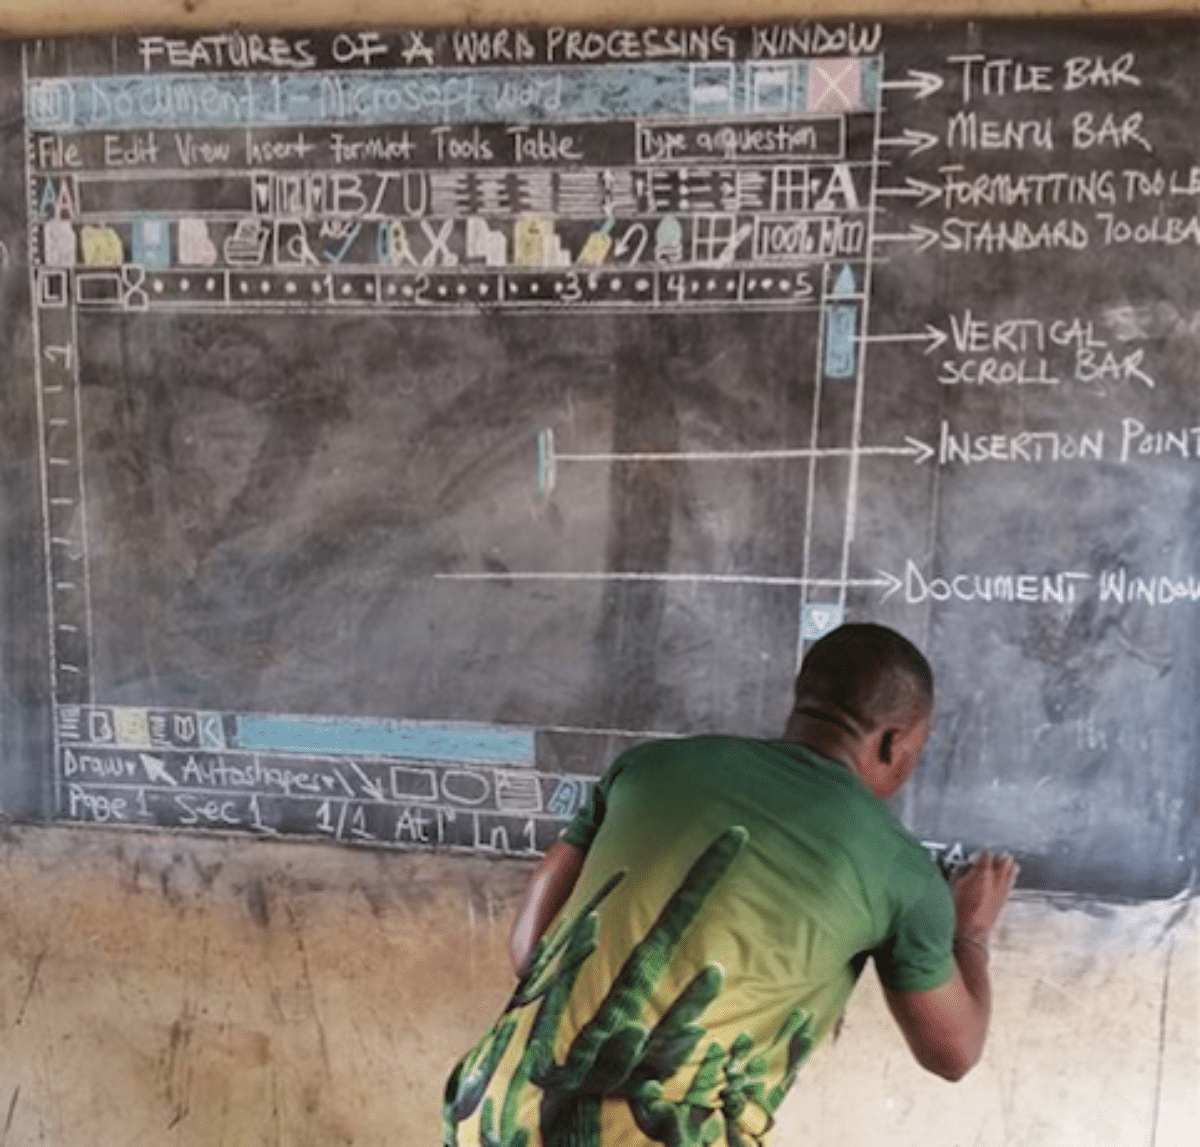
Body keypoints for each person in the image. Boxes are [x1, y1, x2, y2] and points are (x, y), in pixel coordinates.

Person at [443, 623, 1018, 1147]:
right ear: (895, 743)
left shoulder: (647, 766)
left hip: (494, 1109)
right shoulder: (902, 869)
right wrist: (970, 934)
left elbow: (529, 952)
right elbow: (954, 1053)